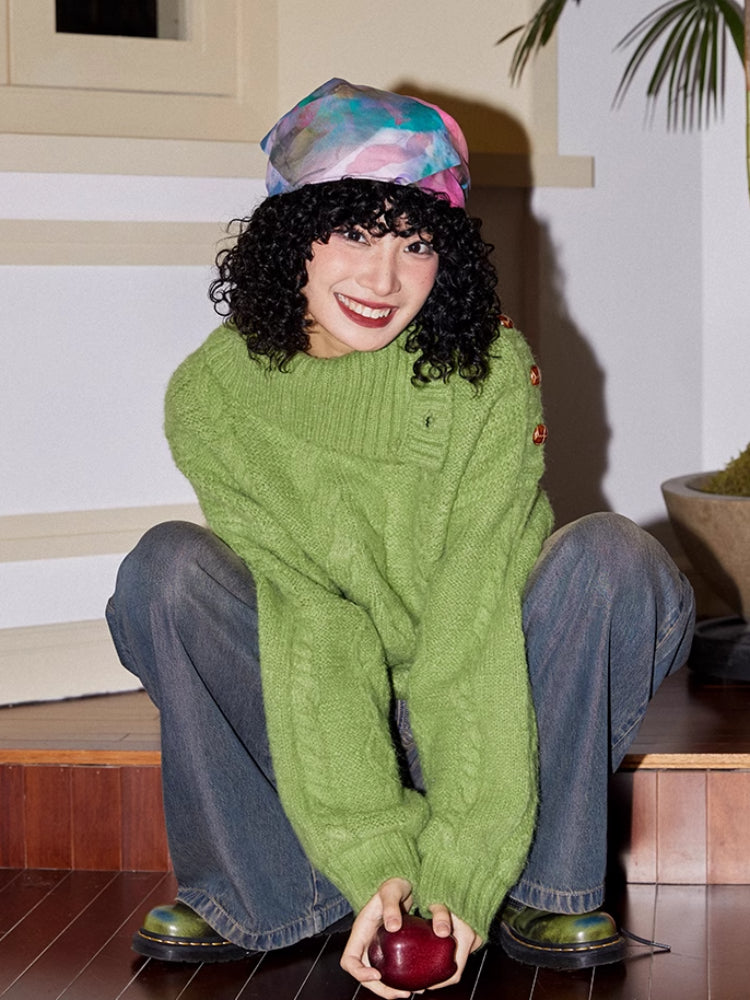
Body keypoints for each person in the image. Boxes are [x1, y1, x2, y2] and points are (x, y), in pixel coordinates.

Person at [106, 78, 695, 998]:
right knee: (164, 571)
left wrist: (460, 869)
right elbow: (313, 628)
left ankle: (542, 886)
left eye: (416, 244)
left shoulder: (487, 368)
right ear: (291, 237)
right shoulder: (212, 396)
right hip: (314, 708)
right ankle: (265, 889)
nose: (384, 280)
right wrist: (375, 859)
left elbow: (474, 611)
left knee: (617, 559)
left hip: (490, 693)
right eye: (354, 233)